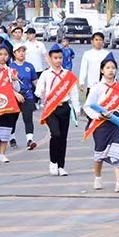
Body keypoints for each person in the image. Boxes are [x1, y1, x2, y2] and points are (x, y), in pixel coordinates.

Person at [83, 54, 119, 192]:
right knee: (99, 153)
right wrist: (98, 116)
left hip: (116, 125)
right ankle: (98, 177)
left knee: (118, 153)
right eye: (108, 67)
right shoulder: (97, 88)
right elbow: (87, 106)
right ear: (102, 70)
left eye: (113, 68)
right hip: (101, 125)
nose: (111, 70)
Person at [35, 44, 81, 176]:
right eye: (55, 58)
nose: (58, 60)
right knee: (55, 134)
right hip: (51, 108)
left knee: (63, 138)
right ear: (50, 58)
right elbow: (38, 91)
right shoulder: (45, 74)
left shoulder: (67, 75)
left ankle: (61, 166)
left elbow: (74, 93)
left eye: (60, 58)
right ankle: (53, 161)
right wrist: (41, 93)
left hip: (64, 107)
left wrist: (77, 108)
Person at [10, 43, 38, 150]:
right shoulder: (11, 67)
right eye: (19, 51)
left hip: (28, 95)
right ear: (14, 53)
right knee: (13, 118)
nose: (21, 53)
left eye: (23, 51)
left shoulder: (29, 66)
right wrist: (15, 94)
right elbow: (7, 83)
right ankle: (12, 138)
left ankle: (29, 140)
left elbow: (35, 81)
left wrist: (42, 91)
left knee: (28, 118)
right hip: (15, 95)